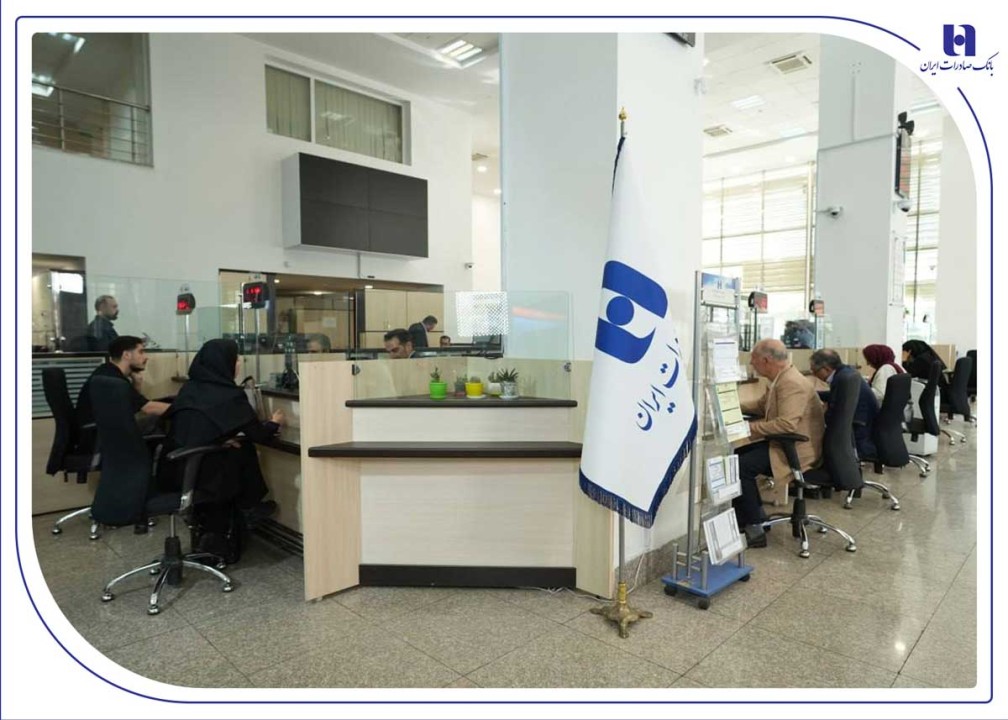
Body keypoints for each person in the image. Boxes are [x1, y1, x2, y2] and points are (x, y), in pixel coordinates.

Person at [165, 339, 283, 561]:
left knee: (235, 446)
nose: (239, 363)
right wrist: (274, 422)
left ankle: (249, 507)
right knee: (243, 448)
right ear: (224, 363)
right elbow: (259, 435)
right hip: (202, 476)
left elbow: (193, 428)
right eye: (235, 359)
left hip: (173, 470)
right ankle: (250, 506)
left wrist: (220, 439)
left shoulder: (190, 388)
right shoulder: (228, 394)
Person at [733, 339, 825, 547]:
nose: (751, 364)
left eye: (753, 359)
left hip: (796, 451)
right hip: (784, 444)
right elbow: (761, 406)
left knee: (739, 467)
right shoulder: (780, 379)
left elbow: (786, 425)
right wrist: (732, 407)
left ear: (766, 360)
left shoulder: (791, 383)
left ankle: (755, 529)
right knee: (736, 457)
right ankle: (755, 517)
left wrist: (747, 428)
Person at [75, 335, 171, 452]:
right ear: (126, 355)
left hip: (97, 433)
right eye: (140, 352)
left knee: (152, 420)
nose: (146, 357)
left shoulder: (108, 371)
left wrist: (137, 383)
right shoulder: (114, 380)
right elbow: (148, 408)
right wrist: (183, 409)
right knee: (157, 421)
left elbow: (133, 406)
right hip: (99, 438)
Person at [809, 348, 879, 460]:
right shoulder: (846, 373)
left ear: (826, 369)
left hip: (858, 428)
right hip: (865, 422)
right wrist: (815, 394)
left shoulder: (841, 378)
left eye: (815, 371)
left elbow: (833, 411)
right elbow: (836, 396)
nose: (814, 374)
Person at [902, 339, 950, 404]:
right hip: (941, 392)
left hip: (934, 395)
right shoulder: (929, 356)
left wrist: (904, 361)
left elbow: (907, 374)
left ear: (909, 351)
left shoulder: (921, 360)